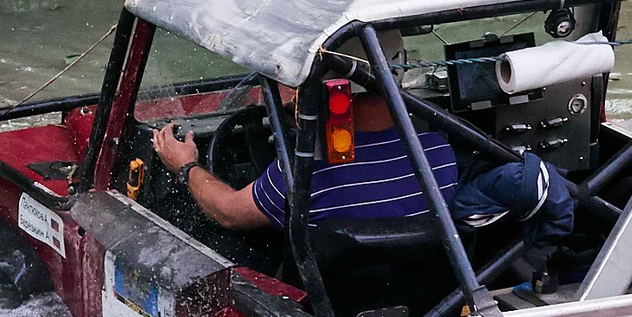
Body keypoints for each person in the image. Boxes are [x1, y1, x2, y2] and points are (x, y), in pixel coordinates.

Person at [150, 80, 458, 230]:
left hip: (327, 316)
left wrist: (186, 165)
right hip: (425, 309)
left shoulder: (307, 171)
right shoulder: (438, 153)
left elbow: (229, 213)